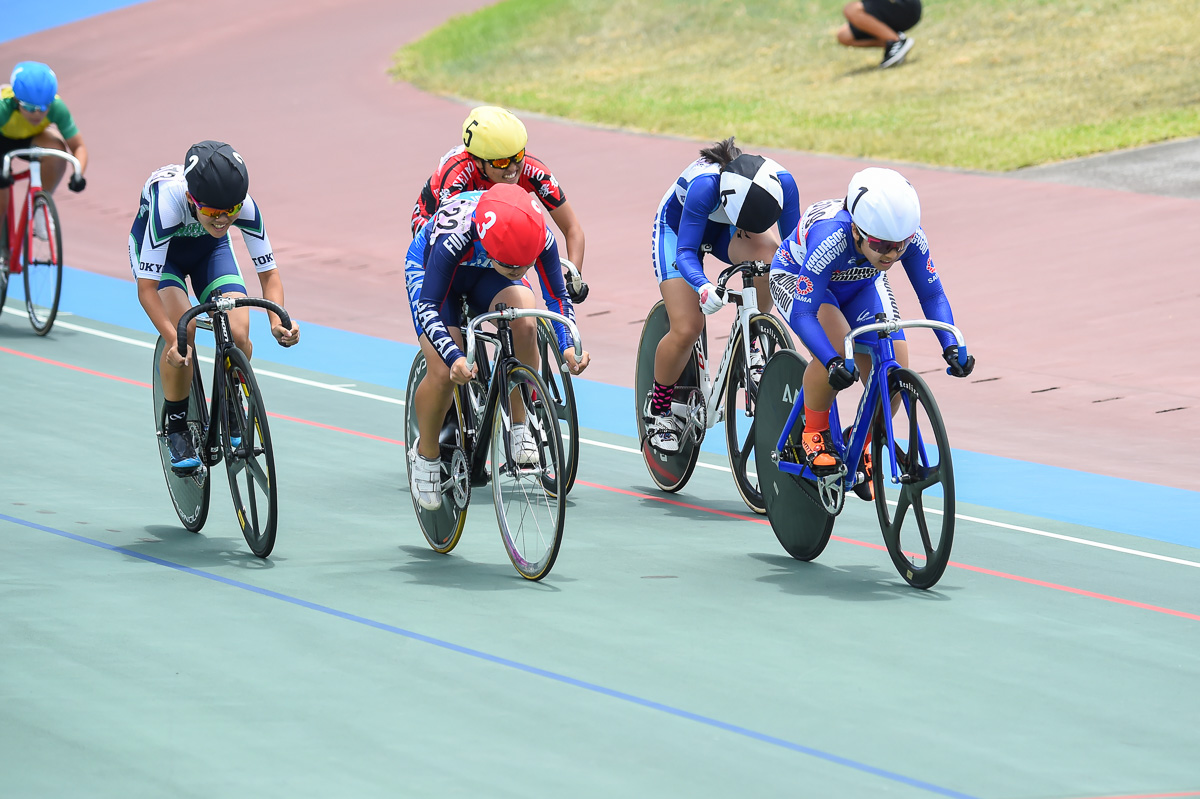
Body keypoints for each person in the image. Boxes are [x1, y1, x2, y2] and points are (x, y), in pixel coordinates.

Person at [767, 167, 974, 499]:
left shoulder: (909, 237)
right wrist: (833, 361)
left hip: (861, 284)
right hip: (801, 281)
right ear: (857, 230)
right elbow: (806, 313)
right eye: (881, 245)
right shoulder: (830, 238)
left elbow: (932, 295)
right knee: (836, 347)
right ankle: (814, 432)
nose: (891, 254)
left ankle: (859, 441)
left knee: (895, 366)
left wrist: (951, 344)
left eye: (900, 246)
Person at [406, 182, 590, 511]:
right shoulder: (456, 238)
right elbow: (429, 306)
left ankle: (520, 424)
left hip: (489, 272)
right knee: (442, 371)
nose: (521, 272)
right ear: (491, 249)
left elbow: (557, 297)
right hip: (437, 274)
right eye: (514, 267)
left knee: (526, 321)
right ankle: (426, 454)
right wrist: (455, 356)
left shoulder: (539, 235)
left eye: (526, 266)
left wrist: (567, 346)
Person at [128, 140, 300, 473]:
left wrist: (277, 319)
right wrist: (172, 336)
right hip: (164, 259)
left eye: (230, 212)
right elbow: (147, 290)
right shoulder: (167, 205)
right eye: (211, 212)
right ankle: (176, 427)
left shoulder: (243, 205)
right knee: (184, 331)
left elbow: (269, 274)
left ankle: (232, 401)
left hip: (211, 252)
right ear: (192, 200)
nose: (223, 220)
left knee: (238, 331)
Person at [645, 136, 801, 454]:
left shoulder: (784, 182)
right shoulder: (704, 186)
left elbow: (793, 249)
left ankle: (751, 338)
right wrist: (703, 286)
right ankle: (658, 410)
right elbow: (686, 252)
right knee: (688, 327)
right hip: (678, 230)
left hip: (729, 226)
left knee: (769, 261)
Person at [410, 106, 587, 281]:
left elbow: (572, 228)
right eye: (501, 162)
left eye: (517, 156)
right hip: (433, 223)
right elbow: (446, 238)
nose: (513, 168)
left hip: (489, 226)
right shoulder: (457, 174)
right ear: (478, 162)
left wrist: (575, 275)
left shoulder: (533, 170)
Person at [0, 61, 88, 235]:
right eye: (30, 108)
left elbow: (78, 146)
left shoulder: (56, 106)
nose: (37, 114)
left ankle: (41, 206)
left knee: (57, 149)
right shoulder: (4, 106)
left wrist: (78, 173)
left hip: (31, 139)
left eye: (43, 108)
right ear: (17, 100)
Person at [836, 0, 921, 69]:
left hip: (905, 5)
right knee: (844, 35)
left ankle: (896, 41)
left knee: (851, 9)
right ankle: (892, 43)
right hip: (887, 9)